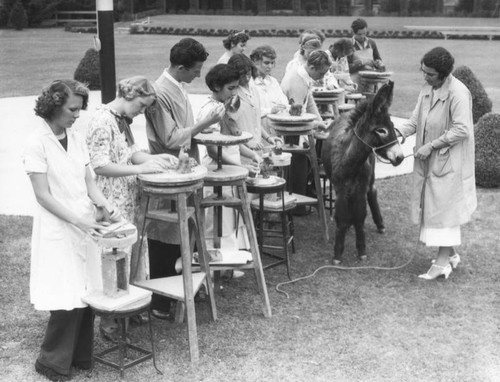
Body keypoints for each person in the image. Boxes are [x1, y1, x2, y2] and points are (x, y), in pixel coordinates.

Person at [23, 79, 119, 381]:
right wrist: (80, 222)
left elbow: (89, 180)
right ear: (53, 105)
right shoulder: (36, 143)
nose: (77, 115)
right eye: (72, 109)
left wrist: (105, 206)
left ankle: (80, 357)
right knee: (65, 295)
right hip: (59, 227)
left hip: (85, 223)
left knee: (87, 292)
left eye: (79, 110)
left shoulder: (77, 139)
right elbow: (43, 195)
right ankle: (51, 362)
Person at [86, 76, 178, 338]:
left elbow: (131, 153)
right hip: (111, 200)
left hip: (129, 198)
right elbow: (100, 165)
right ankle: (108, 318)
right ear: (129, 95)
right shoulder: (102, 120)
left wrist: (154, 158)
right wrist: (140, 168)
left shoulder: (121, 120)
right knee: (113, 256)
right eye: (141, 105)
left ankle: (128, 305)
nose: (141, 112)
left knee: (132, 253)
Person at [144, 38, 224, 319]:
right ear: (179, 67)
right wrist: (206, 123)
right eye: (195, 70)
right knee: (164, 236)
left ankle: (180, 291)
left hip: (184, 169)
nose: (199, 75)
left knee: (183, 233)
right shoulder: (159, 92)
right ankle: (160, 301)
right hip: (167, 173)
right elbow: (170, 137)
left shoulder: (178, 85)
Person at [396, 47, 477, 280]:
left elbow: (462, 129)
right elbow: (414, 120)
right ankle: (450, 255)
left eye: (430, 74)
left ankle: (441, 265)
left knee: (444, 212)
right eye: (424, 72)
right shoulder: (428, 88)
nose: (425, 77)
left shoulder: (458, 93)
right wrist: (395, 133)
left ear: (443, 74)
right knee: (434, 209)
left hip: (449, 162)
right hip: (429, 162)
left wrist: (431, 145)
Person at [198, 63, 258, 251]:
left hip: (228, 168)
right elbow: (213, 150)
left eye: (236, 88)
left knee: (229, 217)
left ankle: (230, 260)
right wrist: (240, 167)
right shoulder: (211, 111)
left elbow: (233, 141)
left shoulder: (225, 107)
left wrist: (251, 154)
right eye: (231, 88)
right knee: (217, 221)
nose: (234, 93)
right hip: (216, 171)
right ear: (217, 87)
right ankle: (215, 262)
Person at [281, 49, 331, 214]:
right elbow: (297, 116)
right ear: (311, 66)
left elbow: (309, 103)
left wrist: (319, 122)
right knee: (298, 164)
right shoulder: (296, 82)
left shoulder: (304, 77)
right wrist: (315, 126)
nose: (322, 77)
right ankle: (296, 206)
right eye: (321, 73)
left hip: (299, 128)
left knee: (304, 163)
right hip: (291, 131)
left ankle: (301, 199)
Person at [227, 53, 281, 159]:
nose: (247, 78)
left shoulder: (253, 89)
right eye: (243, 75)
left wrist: (268, 138)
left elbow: (255, 121)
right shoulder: (232, 94)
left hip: (257, 150)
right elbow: (231, 127)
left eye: (248, 73)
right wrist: (248, 143)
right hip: (240, 153)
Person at [250, 45, 289, 136]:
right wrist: (270, 110)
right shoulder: (249, 83)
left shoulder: (273, 81)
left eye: (272, 63)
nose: (270, 66)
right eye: (266, 63)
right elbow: (250, 110)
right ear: (255, 62)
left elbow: (284, 102)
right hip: (257, 132)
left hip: (275, 130)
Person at [348, 18, 385, 89]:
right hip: (355, 80)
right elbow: (347, 68)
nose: (362, 36)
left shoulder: (371, 43)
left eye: (364, 33)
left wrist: (379, 64)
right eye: (359, 34)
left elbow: (378, 59)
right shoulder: (349, 45)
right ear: (353, 32)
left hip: (371, 79)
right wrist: (361, 63)